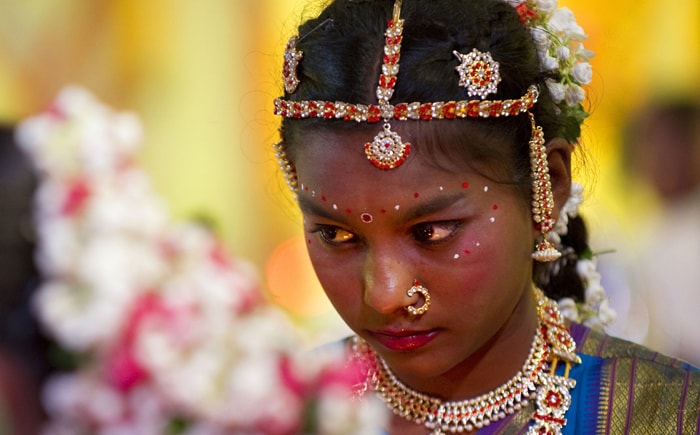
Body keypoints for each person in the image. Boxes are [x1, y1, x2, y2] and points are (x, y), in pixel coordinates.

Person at [271, 0, 700, 434]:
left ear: (546, 187)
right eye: (335, 234)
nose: (385, 295)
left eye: (431, 232)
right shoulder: (275, 412)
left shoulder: (667, 414)